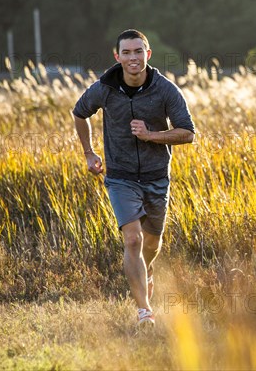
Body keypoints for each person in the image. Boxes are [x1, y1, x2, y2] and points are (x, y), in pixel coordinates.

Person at [72, 29, 195, 327]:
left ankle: (146, 272)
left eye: (138, 51)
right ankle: (144, 311)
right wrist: (89, 153)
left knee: (152, 244)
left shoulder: (165, 90)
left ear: (148, 55)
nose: (132, 58)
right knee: (132, 240)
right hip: (120, 177)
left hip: (156, 177)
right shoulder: (104, 88)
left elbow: (188, 133)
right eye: (126, 53)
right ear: (117, 57)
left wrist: (151, 135)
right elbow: (79, 113)